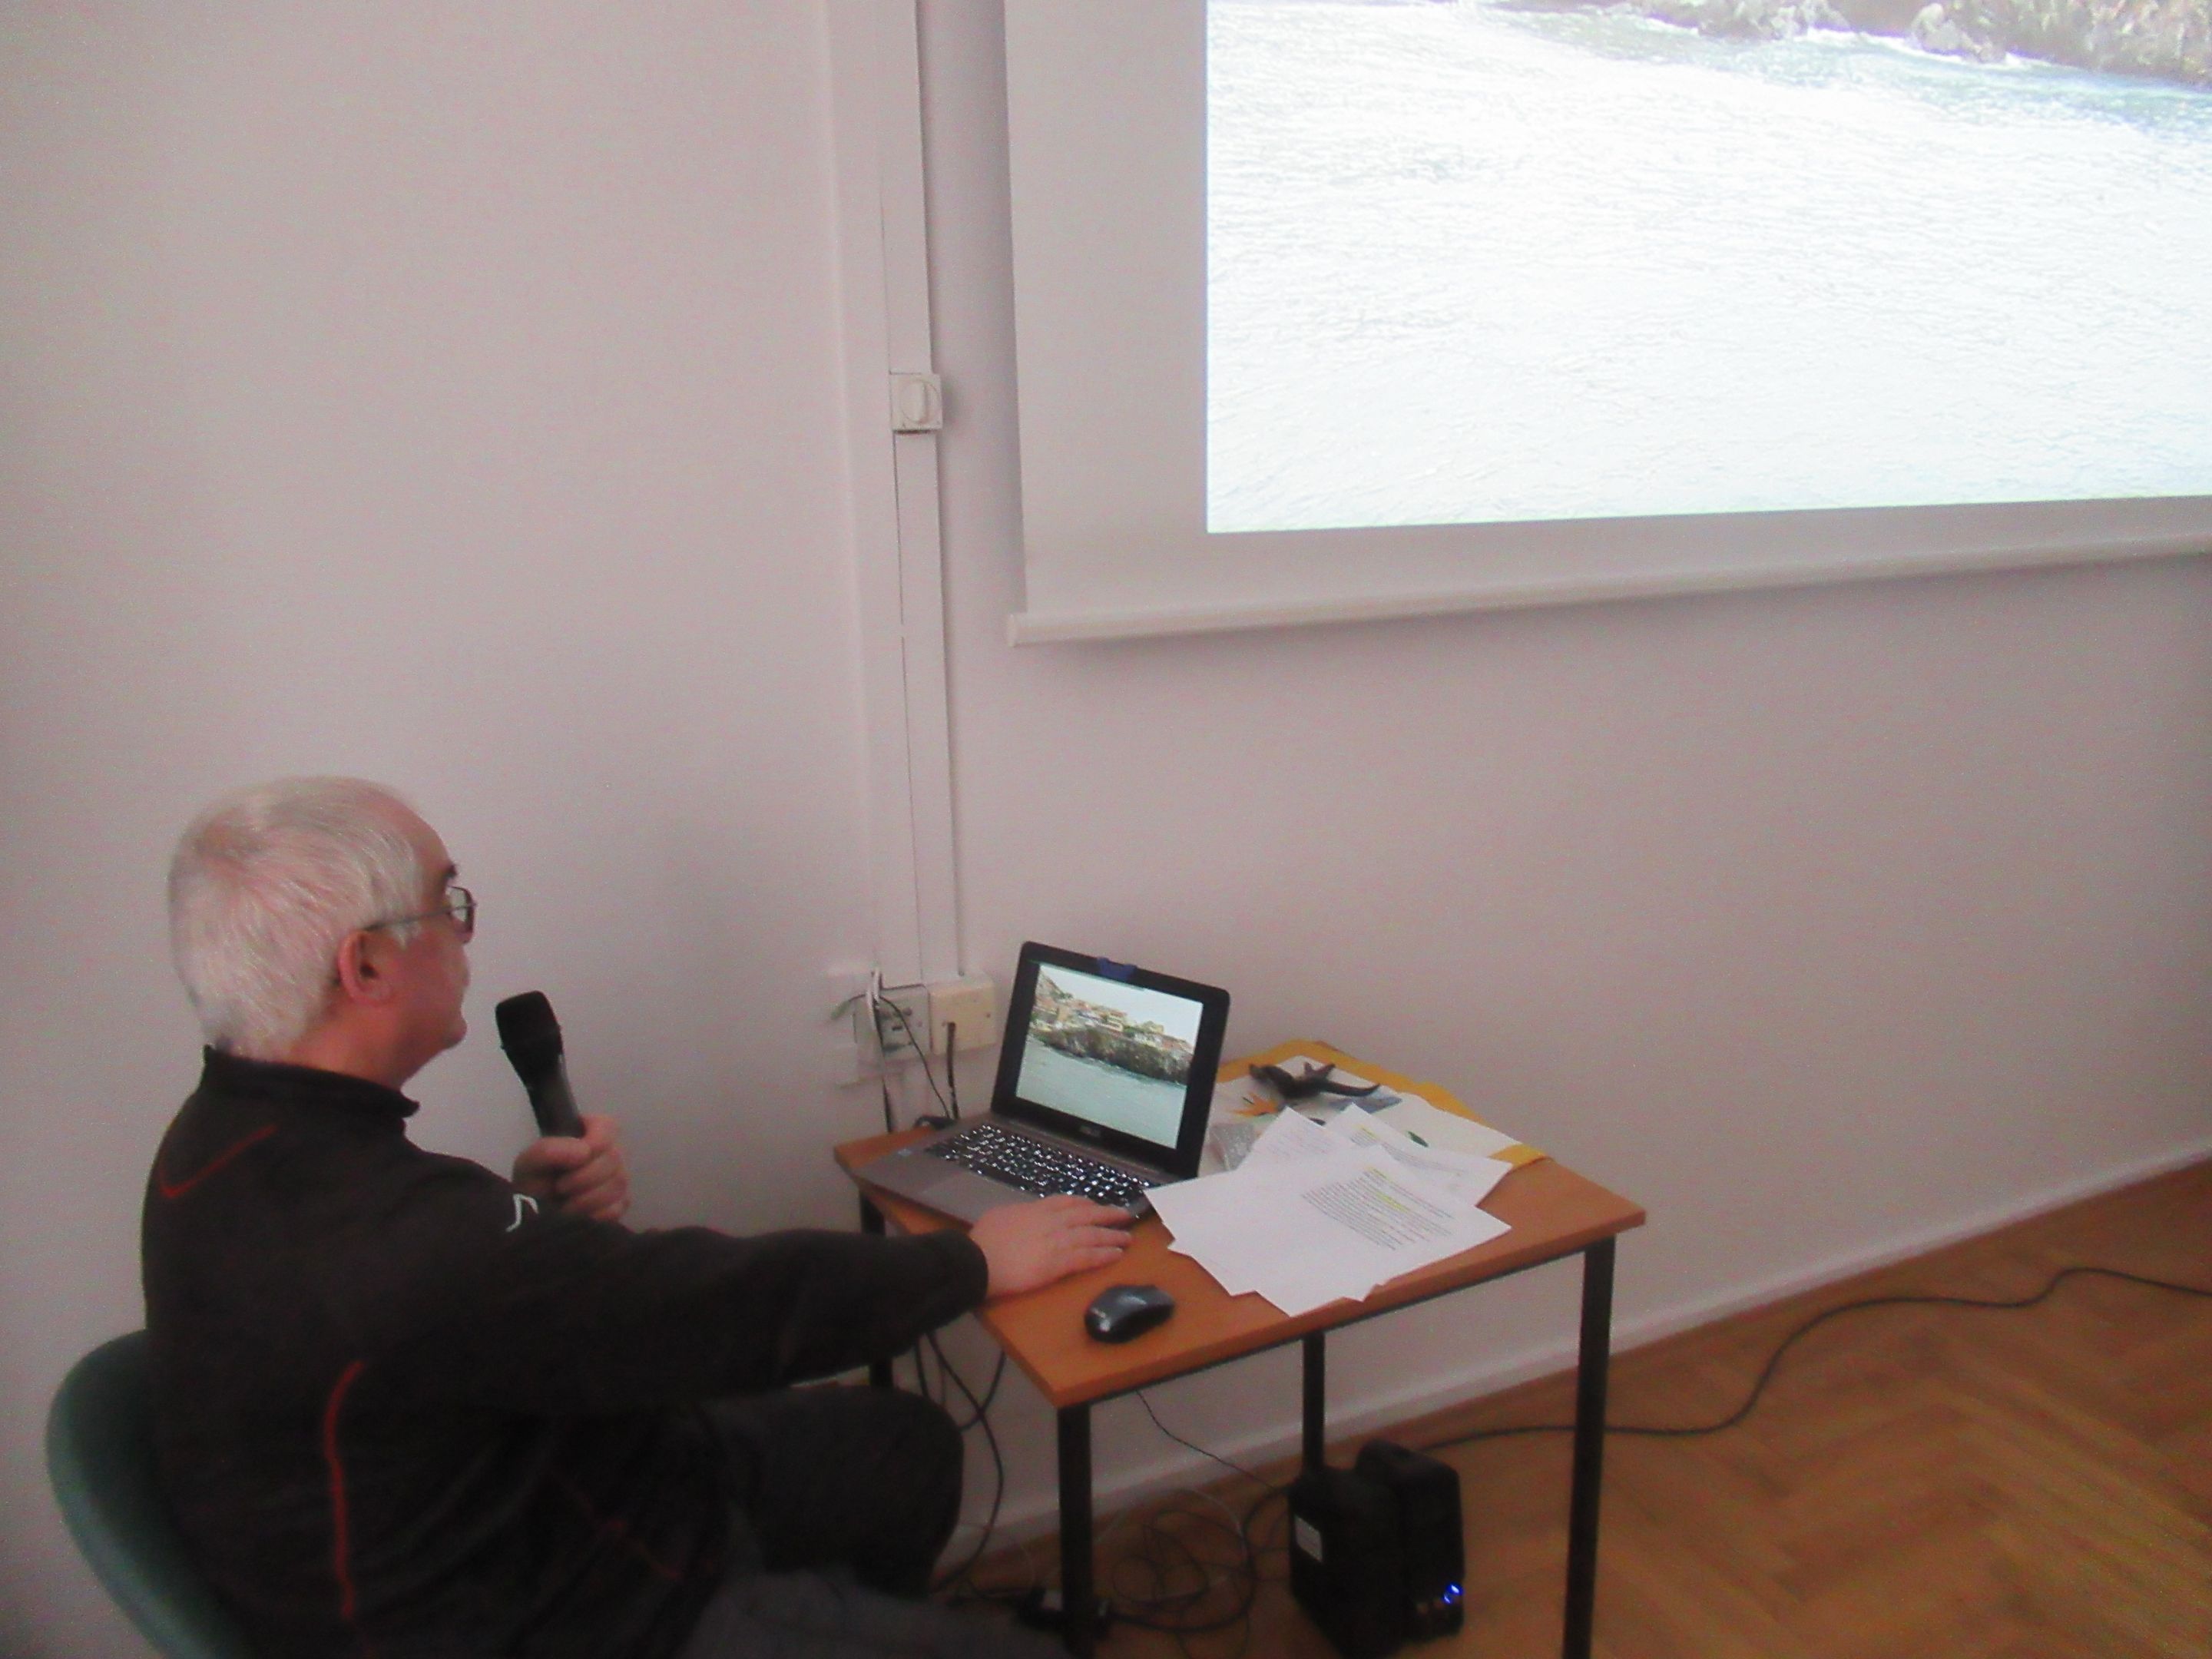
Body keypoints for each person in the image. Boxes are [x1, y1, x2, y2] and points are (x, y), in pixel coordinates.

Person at [144, 777, 1128, 1658]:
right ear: (364, 967)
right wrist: (974, 1263)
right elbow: (724, 1312)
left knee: (903, 1449)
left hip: (543, 1484)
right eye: (448, 903)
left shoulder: (215, 1149)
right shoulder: (400, 1241)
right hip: (563, 1610)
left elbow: (439, 1318)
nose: (465, 932)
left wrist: (529, 1215)